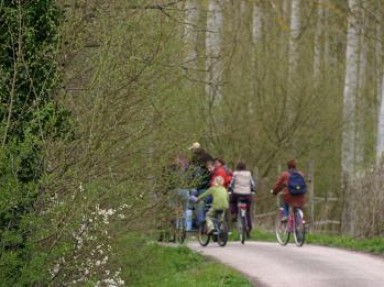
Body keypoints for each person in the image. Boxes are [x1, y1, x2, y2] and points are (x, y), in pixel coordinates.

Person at [228, 161, 255, 236]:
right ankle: (249, 228)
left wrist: (229, 189)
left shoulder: (235, 173)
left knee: (232, 202)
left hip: (237, 193)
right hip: (247, 194)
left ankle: (234, 213)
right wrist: (252, 190)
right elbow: (252, 183)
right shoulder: (249, 174)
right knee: (248, 212)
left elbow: (232, 183)